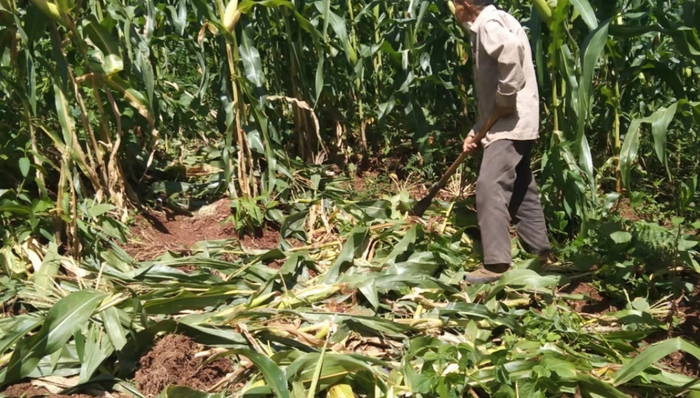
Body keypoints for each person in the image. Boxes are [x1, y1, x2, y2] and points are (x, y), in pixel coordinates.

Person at [453, 0, 551, 284]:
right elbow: (489, 94)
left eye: (456, 3)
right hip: (512, 123)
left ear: (467, 4)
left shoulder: (488, 24)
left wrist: (506, 98)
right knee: (521, 186)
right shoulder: (498, 20)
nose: (455, 9)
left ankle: (496, 265)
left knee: (489, 185)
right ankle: (540, 251)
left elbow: (511, 51)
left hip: (510, 123)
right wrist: (476, 130)